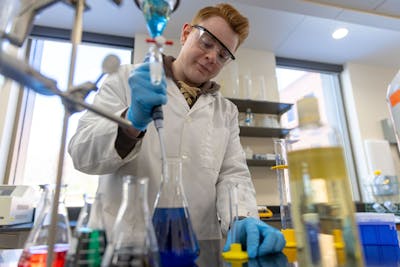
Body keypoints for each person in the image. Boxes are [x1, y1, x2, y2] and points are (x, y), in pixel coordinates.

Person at [68, 3, 285, 258]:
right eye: (206, 42)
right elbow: (81, 153)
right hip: (123, 246)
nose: (212, 56)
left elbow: (233, 175)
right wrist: (130, 123)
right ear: (185, 34)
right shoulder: (127, 79)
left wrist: (242, 217)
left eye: (223, 54)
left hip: (194, 249)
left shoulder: (226, 112)